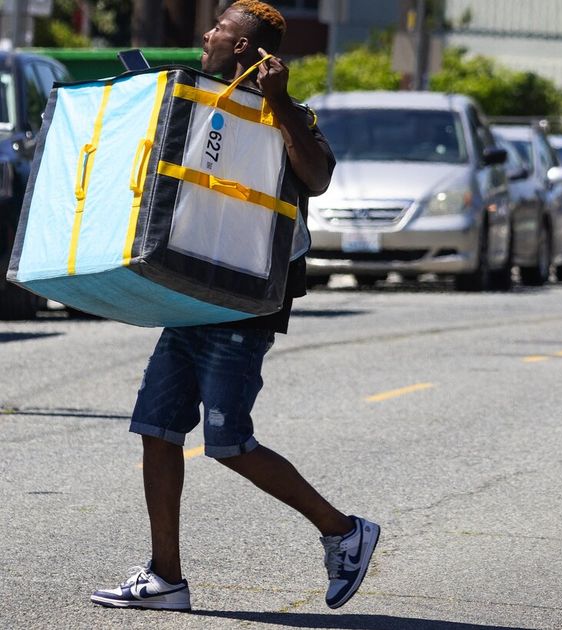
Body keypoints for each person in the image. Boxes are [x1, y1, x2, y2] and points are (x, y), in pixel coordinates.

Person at [89, 1, 378, 612]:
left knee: (228, 441)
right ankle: (165, 578)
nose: (207, 34)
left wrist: (279, 103)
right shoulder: (198, 103)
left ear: (242, 46)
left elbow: (317, 176)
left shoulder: (286, 114)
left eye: (218, 28)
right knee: (157, 431)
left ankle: (344, 531)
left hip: (247, 302)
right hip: (191, 293)